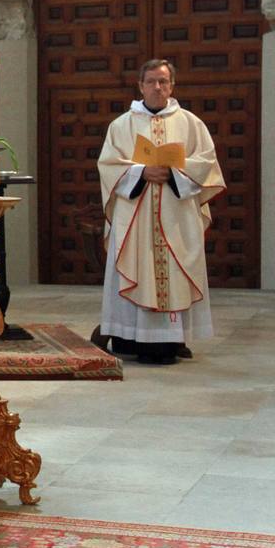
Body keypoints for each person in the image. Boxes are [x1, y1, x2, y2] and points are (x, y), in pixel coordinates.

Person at [97, 60, 225, 365]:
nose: (158, 87)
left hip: (176, 216)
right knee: (136, 268)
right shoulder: (122, 125)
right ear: (140, 86)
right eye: (152, 81)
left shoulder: (191, 124)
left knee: (176, 272)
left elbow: (206, 163)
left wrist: (173, 173)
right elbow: (108, 165)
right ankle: (128, 336)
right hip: (135, 220)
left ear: (172, 86)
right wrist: (142, 172)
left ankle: (173, 339)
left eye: (164, 82)